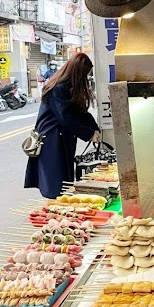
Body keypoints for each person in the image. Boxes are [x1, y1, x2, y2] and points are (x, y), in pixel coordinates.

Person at [25, 53, 101, 199]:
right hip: (52, 140)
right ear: (77, 73)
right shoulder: (58, 88)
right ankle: (57, 213)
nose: (85, 79)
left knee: (63, 180)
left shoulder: (64, 86)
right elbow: (66, 117)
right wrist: (89, 134)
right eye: (85, 75)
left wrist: (93, 128)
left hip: (60, 137)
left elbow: (79, 112)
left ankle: (60, 207)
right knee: (57, 183)